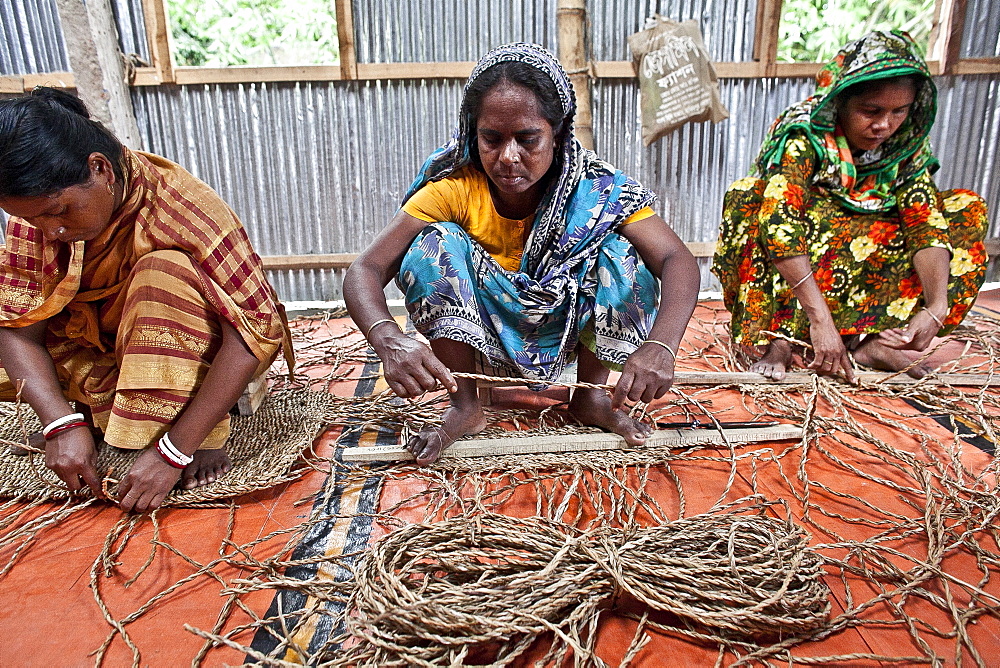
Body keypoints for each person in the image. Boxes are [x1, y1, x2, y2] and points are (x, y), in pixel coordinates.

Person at [345, 43, 699, 465]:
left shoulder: (599, 191)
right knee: (431, 248)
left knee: (622, 252)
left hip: (567, 332)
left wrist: (662, 345)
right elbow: (365, 267)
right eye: (491, 140)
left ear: (557, 133)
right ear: (472, 134)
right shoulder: (456, 188)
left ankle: (589, 396)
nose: (508, 157)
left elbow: (677, 260)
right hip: (480, 340)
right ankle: (465, 405)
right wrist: (388, 338)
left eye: (528, 139)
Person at [0, 88, 292, 513]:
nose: (49, 231)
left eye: (59, 212)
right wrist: (59, 423)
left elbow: (251, 334)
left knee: (163, 274)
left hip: (180, 339)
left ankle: (195, 432)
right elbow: (16, 324)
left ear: (100, 169)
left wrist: (174, 451)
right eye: (29, 219)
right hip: (103, 347)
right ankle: (92, 412)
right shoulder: (41, 218)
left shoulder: (185, 208)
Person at [713, 31, 988, 381]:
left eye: (899, 111)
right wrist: (821, 322)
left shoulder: (904, 142)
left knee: (965, 207)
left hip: (861, 246)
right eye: (870, 111)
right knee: (755, 200)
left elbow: (924, 220)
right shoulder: (806, 134)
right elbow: (779, 225)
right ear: (839, 102)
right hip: (804, 255)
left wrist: (937, 307)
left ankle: (880, 342)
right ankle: (779, 341)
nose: (884, 125)